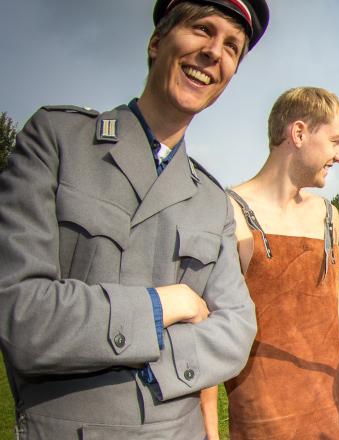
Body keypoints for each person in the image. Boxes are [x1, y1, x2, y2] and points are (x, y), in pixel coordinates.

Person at [0, 0, 266, 437]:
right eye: (202, 29)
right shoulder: (58, 141)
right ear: (157, 41)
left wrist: (140, 365)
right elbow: (22, 314)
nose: (214, 53)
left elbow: (236, 331)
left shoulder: (211, 199)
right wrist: (164, 305)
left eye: (232, 47)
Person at [198, 87, 339, 439]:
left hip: (333, 408)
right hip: (264, 415)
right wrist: (210, 433)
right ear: (299, 133)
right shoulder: (228, 212)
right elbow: (206, 329)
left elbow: (332, 295)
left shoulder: (328, 215)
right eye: (335, 141)